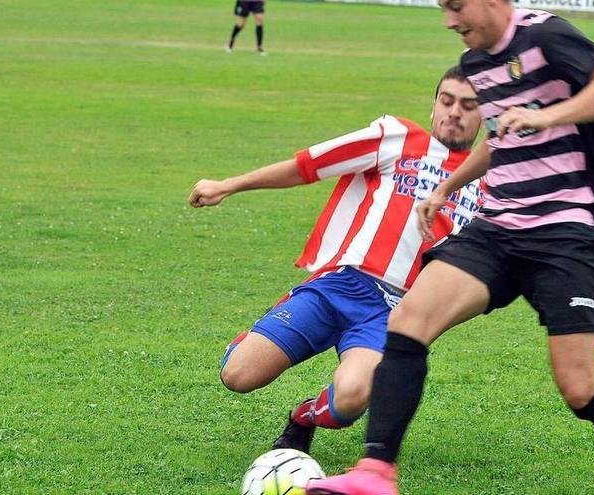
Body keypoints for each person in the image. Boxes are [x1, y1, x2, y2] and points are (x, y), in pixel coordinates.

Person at [307, 3, 594, 495]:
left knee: (579, 389)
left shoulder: (547, 35)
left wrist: (544, 114)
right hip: (500, 225)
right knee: (407, 323)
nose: (449, 21)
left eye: (456, 6)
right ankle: (375, 473)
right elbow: (498, 136)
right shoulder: (474, 61)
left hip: (564, 232)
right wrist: (447, 187)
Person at [188, 67, 486, 454]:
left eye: (468, 105)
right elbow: (309, 164)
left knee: (350, 399)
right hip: (342, 284)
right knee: (239, 375)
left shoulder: (493, 189)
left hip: (396, 313)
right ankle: (267, 329)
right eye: (446, 101)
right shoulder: (395, 138)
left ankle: (302, 417)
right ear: (433, 107)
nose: (454, 112)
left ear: (486, 115)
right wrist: (229, 185)